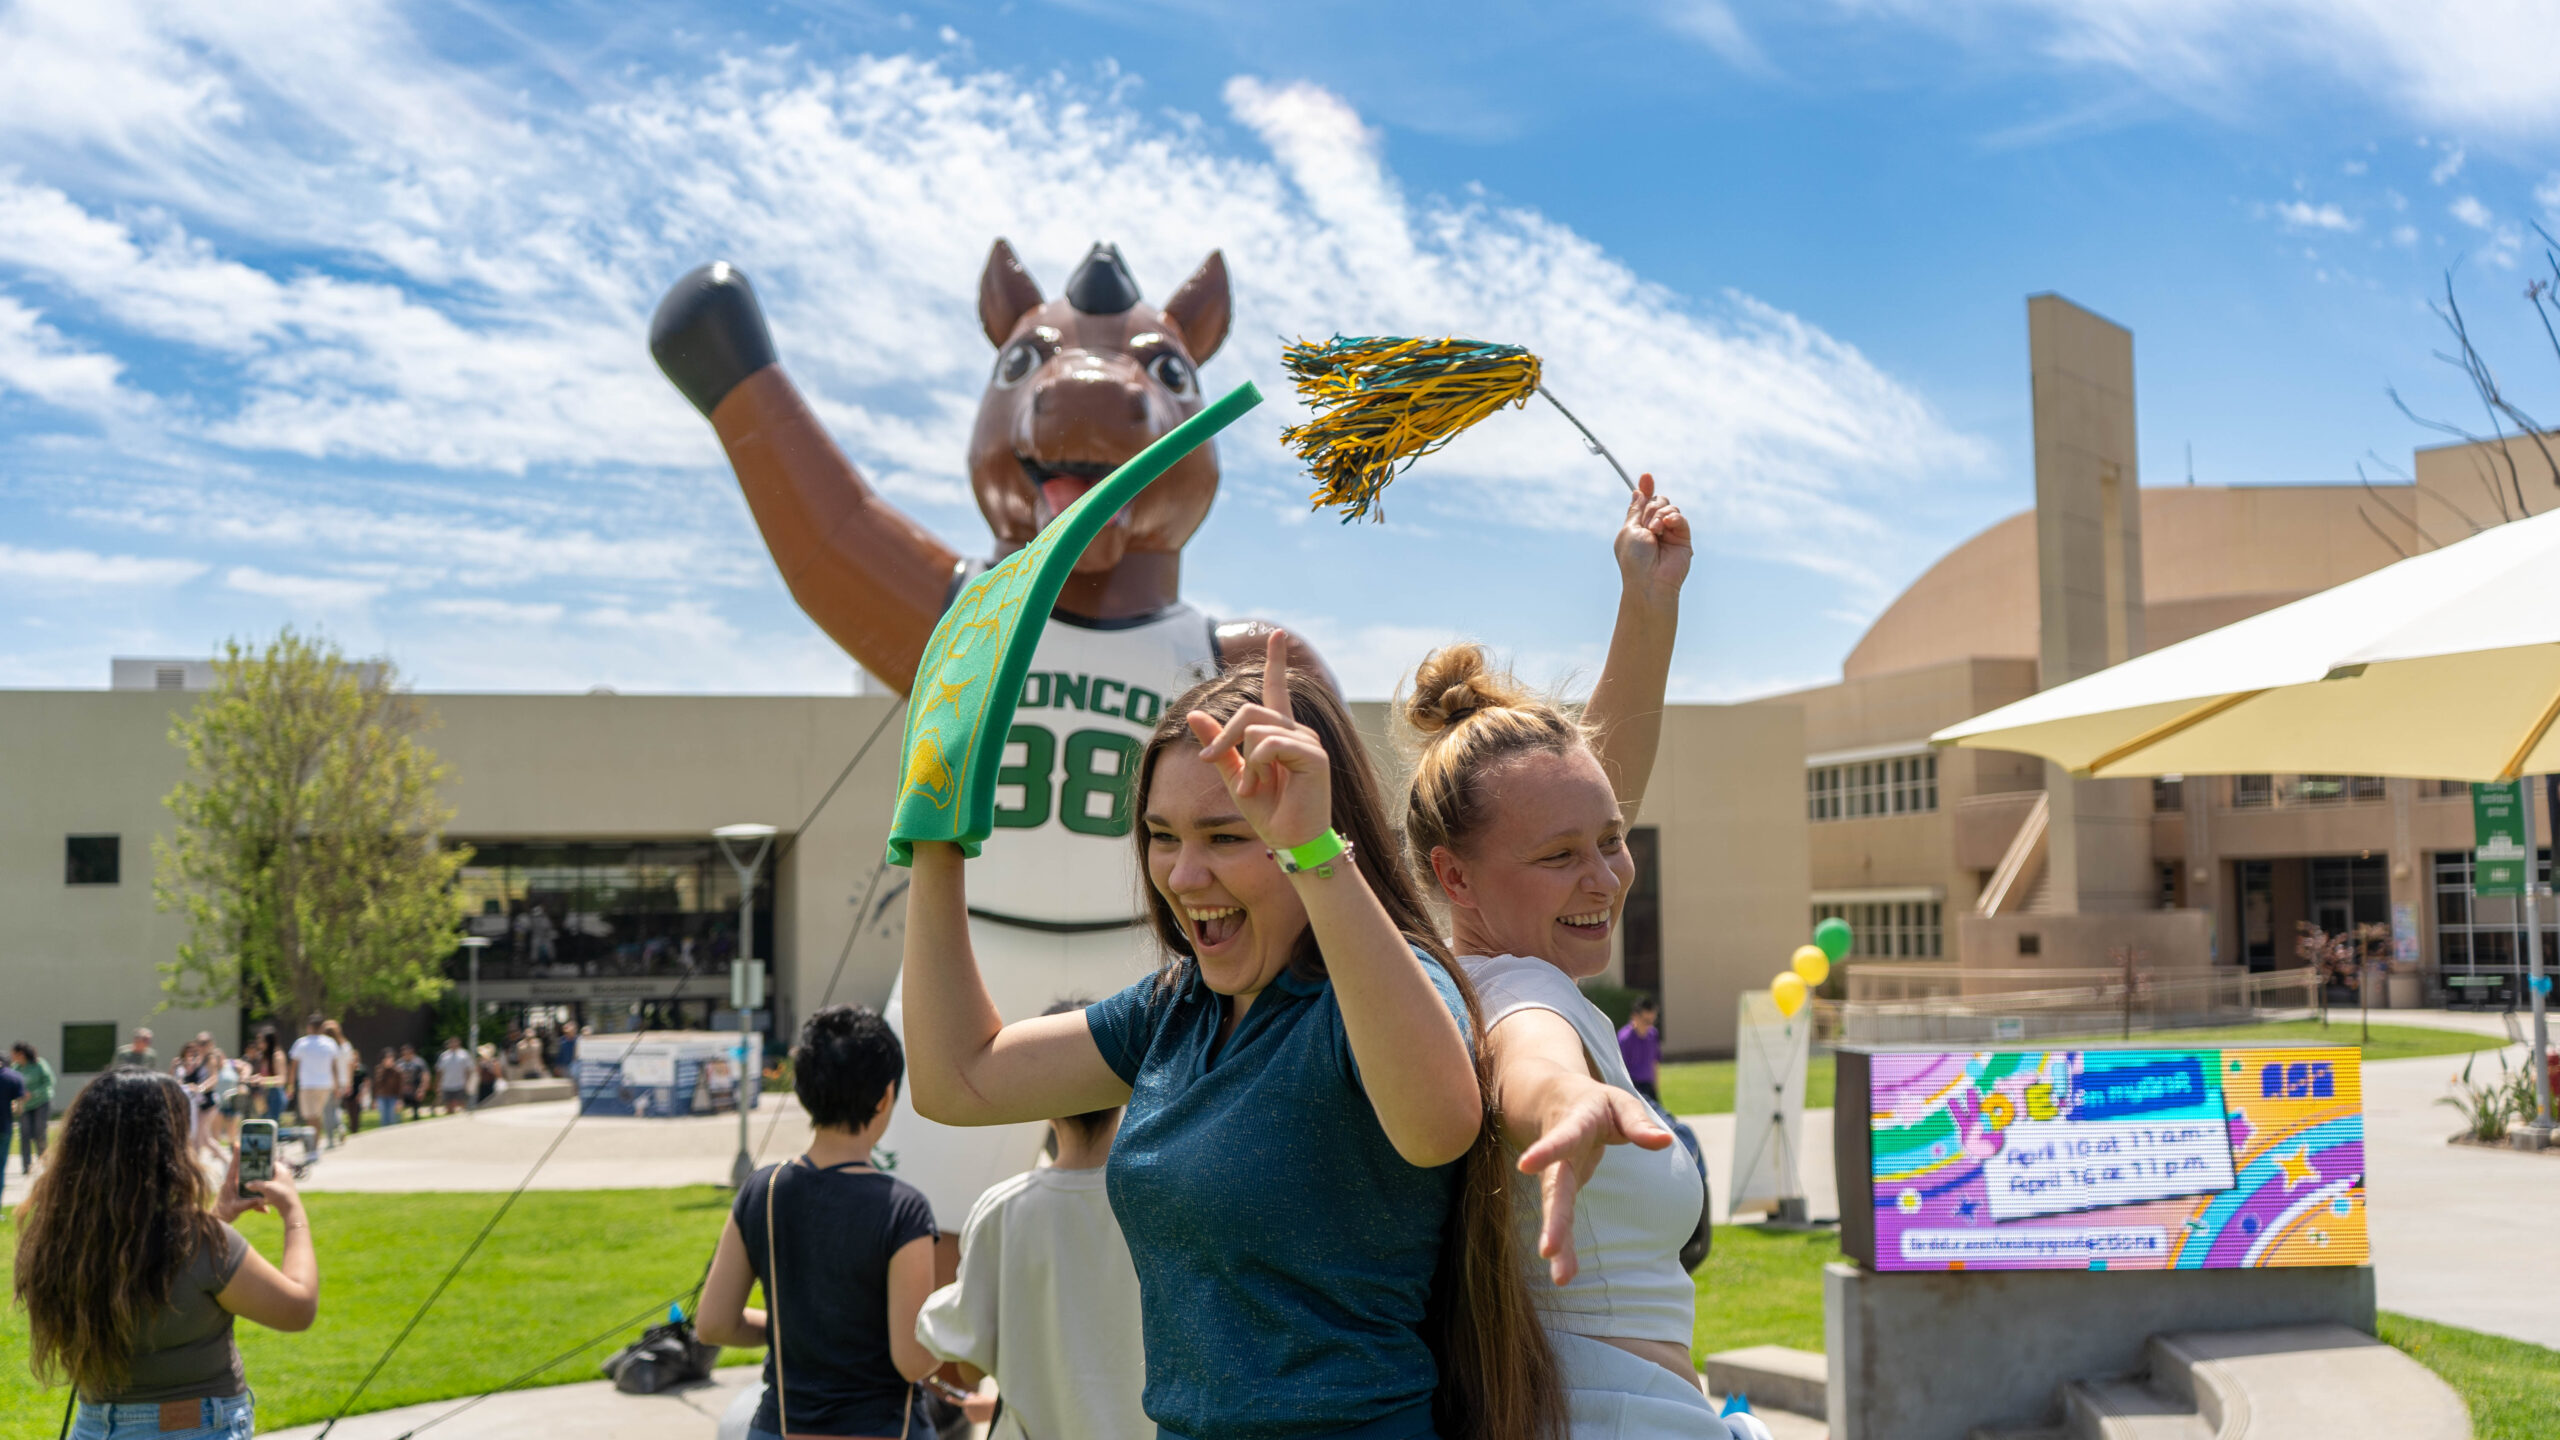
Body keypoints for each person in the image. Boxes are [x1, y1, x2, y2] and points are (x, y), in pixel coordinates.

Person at [901, 632, 1557, 1440]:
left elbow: (1438, 1125)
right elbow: (957, 1080)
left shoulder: (1378, 987)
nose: (1181, 875)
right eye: (1163, 836)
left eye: (1226, 835)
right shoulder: (1177, 1010)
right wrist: (934, 839)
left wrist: (1316, 854)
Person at [1400, 476, 1763, 1440]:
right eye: (1560, 857)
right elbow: (1530, 1048)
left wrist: (1648, 604)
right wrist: (1564, 1101)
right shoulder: (1510, 992)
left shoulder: (1440, 976)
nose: (1604, 876)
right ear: (1456, 876)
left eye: (1613, 837)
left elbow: (1585, 800)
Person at [11, 1069, 320, 1439]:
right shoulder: (201, 1242)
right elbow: (297, 1308)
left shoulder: (57, 1236)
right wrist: (293, 1213)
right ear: (165, 1145)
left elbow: (155, 1266)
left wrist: (219, 1215)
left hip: (95, 1427)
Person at [698, 1005, 940, 1439]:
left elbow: (714, 1323)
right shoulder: (904, 1209)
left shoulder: (762, 1190)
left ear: (802, 1088)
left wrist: (794, 1328)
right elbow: (913, 1361)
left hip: (779, 1428)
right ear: (886, 1096)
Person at [916, 999, 1147, 1440]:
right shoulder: (1161, 1202)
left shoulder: (1003, 1211)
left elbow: (965, 1367)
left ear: (1042, 1095)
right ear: (1124, 1085)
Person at [286, 1015, 339, 1145]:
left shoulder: (301, 1043)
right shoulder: (330, 1043)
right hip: (325, 1085)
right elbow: (334, 1067)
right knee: (316, 1115)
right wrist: (336, 1085)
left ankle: (313, 1145)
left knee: (311, 1117)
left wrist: (290, 1085)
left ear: (309, 1027)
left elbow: (293, 1066)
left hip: (308, 1085)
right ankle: (314, 1143)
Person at [12, 1042, 55, 1176]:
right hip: (26, 1106)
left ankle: (45, 1164)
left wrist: (35, 1093)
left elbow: (49, 1082)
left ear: (21, 1054)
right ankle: (26, 1166)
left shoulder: (39, 1064)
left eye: (15, 1054)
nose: (13, 1056)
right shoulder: (16, 1068)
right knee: (24, 1134)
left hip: (41, 1103)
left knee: (39, 1133)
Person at [1618, 999, 1662, 1105]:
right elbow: (1620, 1069)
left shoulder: (1653, 1034)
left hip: (1649, 1086)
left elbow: (1654, 1062)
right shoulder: (1624, 1038)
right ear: (1635, 1017)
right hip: (1633, 1087)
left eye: (1653, 1021)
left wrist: (1655, 1087)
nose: (1650, 1025)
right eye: (1646, 1021)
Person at [322, 1021, 361, 1140]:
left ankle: (331, 1137)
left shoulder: (326, 1047)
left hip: (327, 1081)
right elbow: (351, 1065)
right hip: (343, 1082)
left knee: (327, 1110)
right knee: (336, 1107)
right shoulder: (346, 1046)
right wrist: (349, 1082)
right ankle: (340, 1127)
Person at [435, 1036, 474, 1114]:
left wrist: (467, 1082)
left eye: (455, 1042)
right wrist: (438, 1084)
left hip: (460, 1084)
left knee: (462, 1104)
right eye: (451, 1042)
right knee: (448, 1106)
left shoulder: (464, 1055)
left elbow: (468, 1070)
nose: (453, 1044)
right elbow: (439, 1071)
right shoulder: (444, 1056)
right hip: (447, 1084)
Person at [372, 1049, 405, 1128]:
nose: (389, 1060)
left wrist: (400, 1100)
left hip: (393, 1097)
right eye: (387, 1058)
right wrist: (374, 1099)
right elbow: (376, 1085)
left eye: (391, 1058)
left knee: (393, 1118)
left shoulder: (397, 1071)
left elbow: (400, 1087)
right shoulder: (379, 1070)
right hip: (381, 1097)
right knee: (384, 1119)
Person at [397, 1045, 430, 1121]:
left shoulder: (419, 1062)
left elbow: (425, 1075)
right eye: (404, 1052)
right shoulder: (399, 1063)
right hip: (403, 1091)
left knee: (416, 1114)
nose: (406, 1054)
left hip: (415, 1090)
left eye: (408, 1052)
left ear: (412, 1052)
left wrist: (422, 1089)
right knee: (398, 1112)